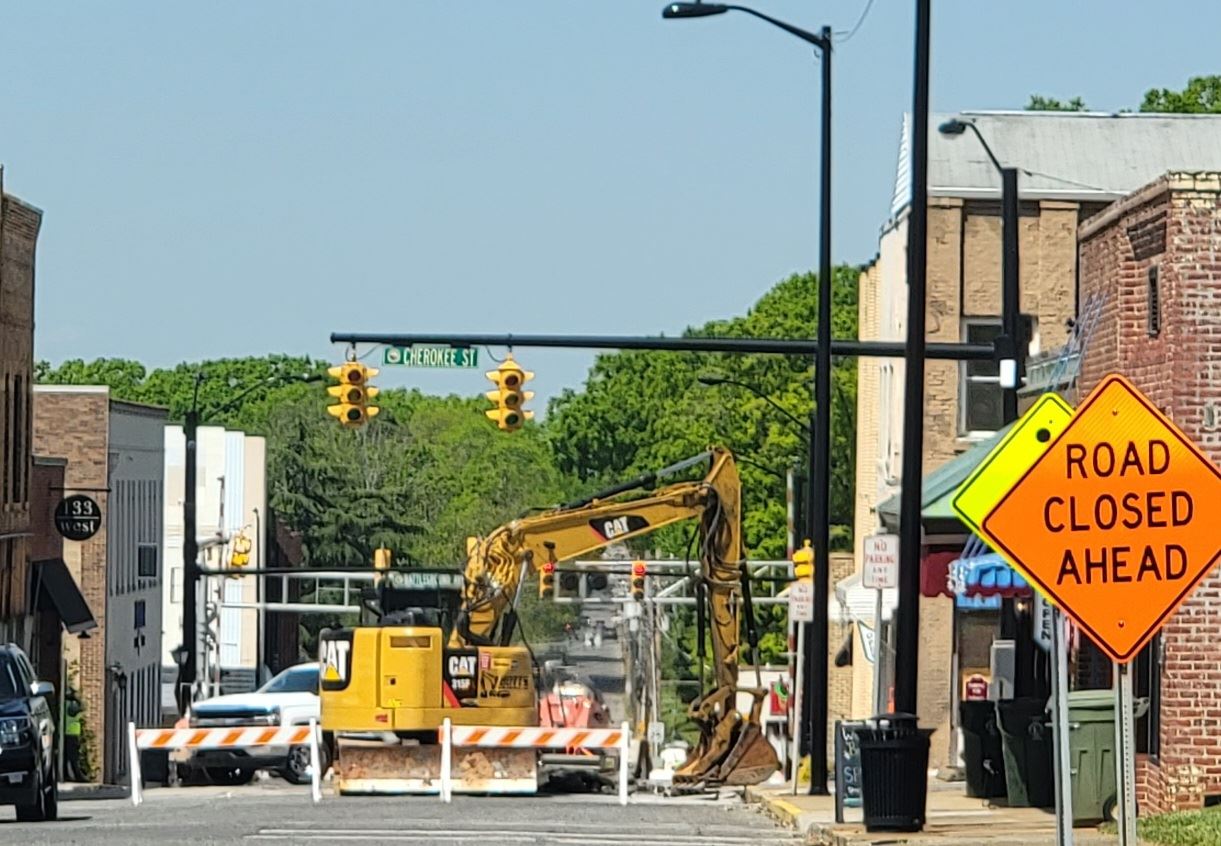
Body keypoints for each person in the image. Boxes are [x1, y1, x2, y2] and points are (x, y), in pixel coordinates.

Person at [64, 689, 83, 782]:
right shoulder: (71, 704)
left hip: (67, 733)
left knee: (67, 757)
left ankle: (67, 775)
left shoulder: (65, 704)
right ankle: (77, 776)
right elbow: (81, 707)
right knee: (73, 757)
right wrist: (77, 699)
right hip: (71, 734)